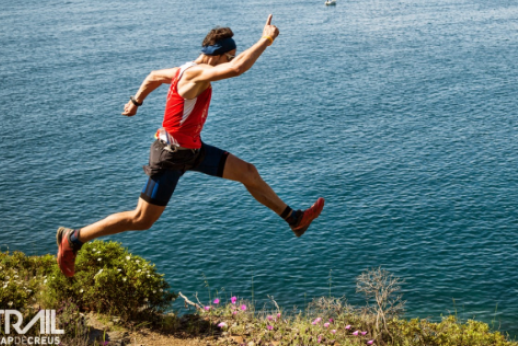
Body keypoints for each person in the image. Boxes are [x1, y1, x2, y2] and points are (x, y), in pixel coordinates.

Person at [56, 15, 325, 278]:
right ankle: (74, 238)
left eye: (232, 57)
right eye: (228, 56)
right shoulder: (196, 74)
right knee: (141, 219)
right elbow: (237, 69)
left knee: (248, 173)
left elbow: (153, 76)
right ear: (216, 55)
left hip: (194, 151)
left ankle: (295, 219)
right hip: (170, 156)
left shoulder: (184, 70)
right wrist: (266, 39)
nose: (230, 61)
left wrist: (136, 102)